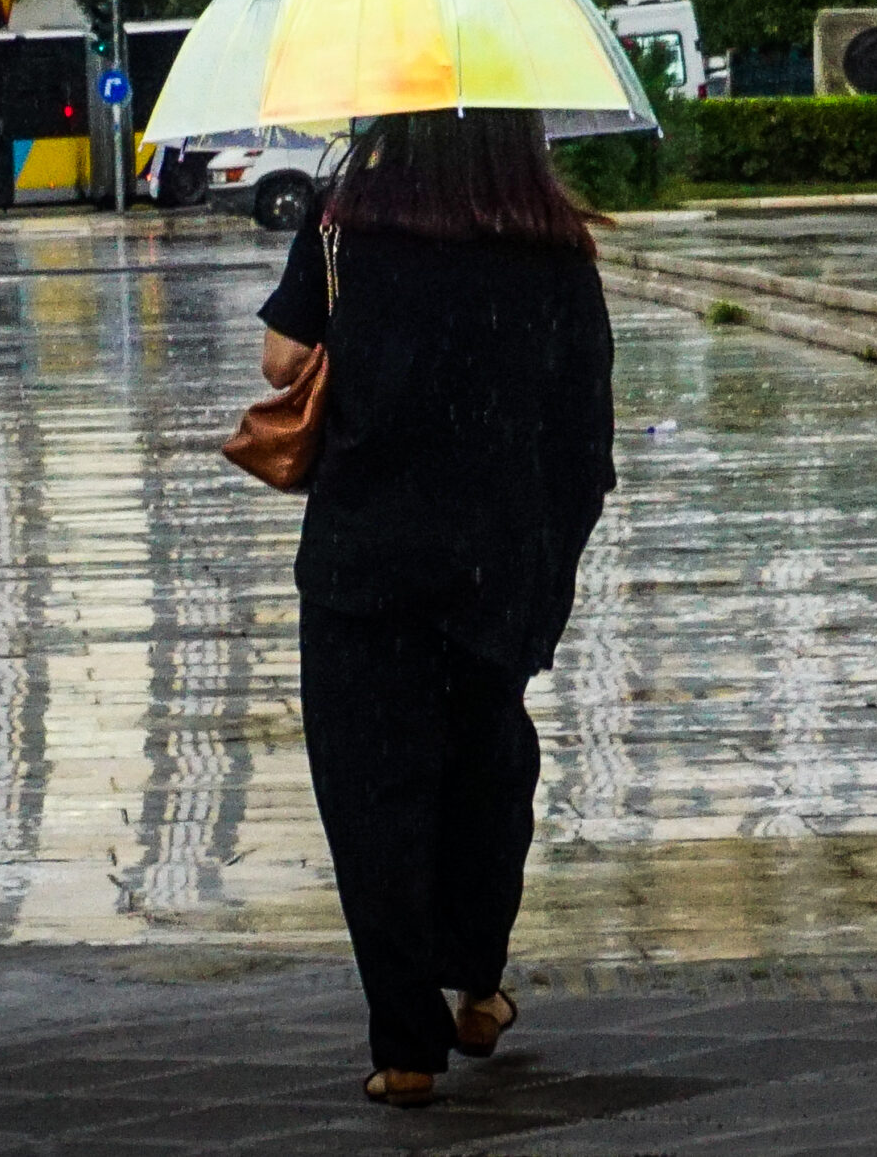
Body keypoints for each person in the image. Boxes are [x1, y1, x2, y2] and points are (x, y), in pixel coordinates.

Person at [257, 108, 617, 1109]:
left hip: (360, 564)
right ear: (521, 136)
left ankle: (403, 1045)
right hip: (498, 564)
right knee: (485, 775)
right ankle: (479, 982)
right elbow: (585, 432)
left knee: (370, 795)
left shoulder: (342, 229)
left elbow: (281, 366)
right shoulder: (553, 253)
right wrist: (550, 560)